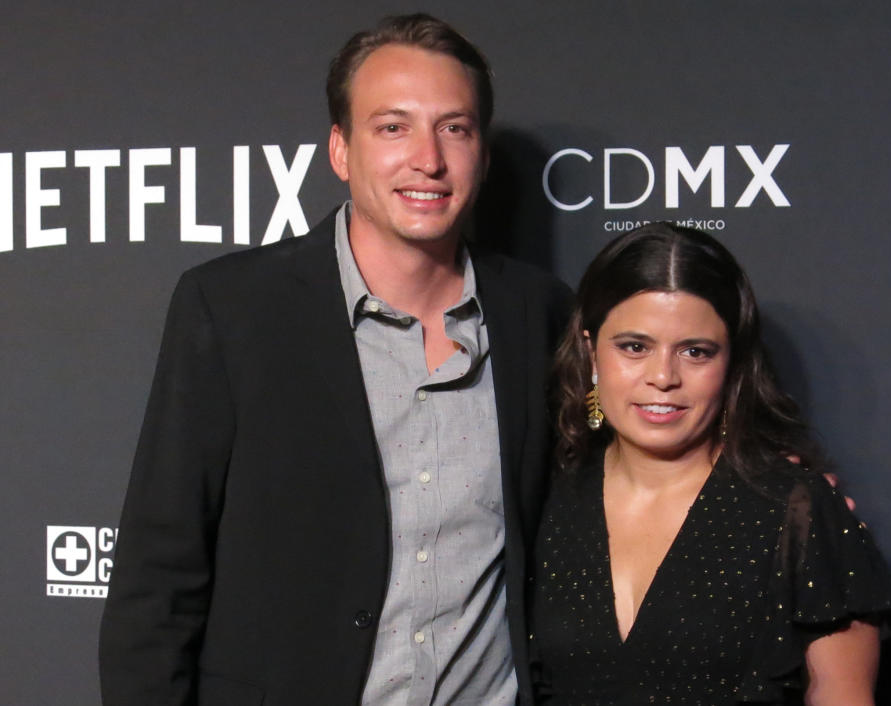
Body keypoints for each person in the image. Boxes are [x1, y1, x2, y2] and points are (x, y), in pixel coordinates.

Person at [99, 14, 571, 706]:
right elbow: (157, 575)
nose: (427, 159)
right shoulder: (233, 308)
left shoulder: (540, 312)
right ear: (340, 150)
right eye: (392, 127)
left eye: (454, 128)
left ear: (482, 154)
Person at [530, 223, 891, 704]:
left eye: (695, 351)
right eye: (634, 347)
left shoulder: (796, 510)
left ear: (732, 365)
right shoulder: (548, 497)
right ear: (591, 352)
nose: (663, 377)